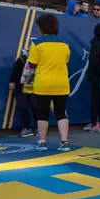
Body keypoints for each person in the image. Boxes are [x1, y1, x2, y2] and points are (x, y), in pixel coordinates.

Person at [25, 14, 72, 152]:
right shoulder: (65, 44)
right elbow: (66, 60)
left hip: (43, 84)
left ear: (41, 27)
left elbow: (32, 64)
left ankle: (42, 142)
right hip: (62, 84)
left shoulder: (37, 44)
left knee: (42, 113)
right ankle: (65, 142)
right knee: (61, 113)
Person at [9, 48, 38, 138]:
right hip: (21, 87)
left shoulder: (40, 60)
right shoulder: (21, 60)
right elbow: (14, 71)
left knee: (35, 107)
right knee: (23, 106)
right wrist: (12, 81)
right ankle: (27, 128)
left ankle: (39, 128)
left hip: (35, 87)